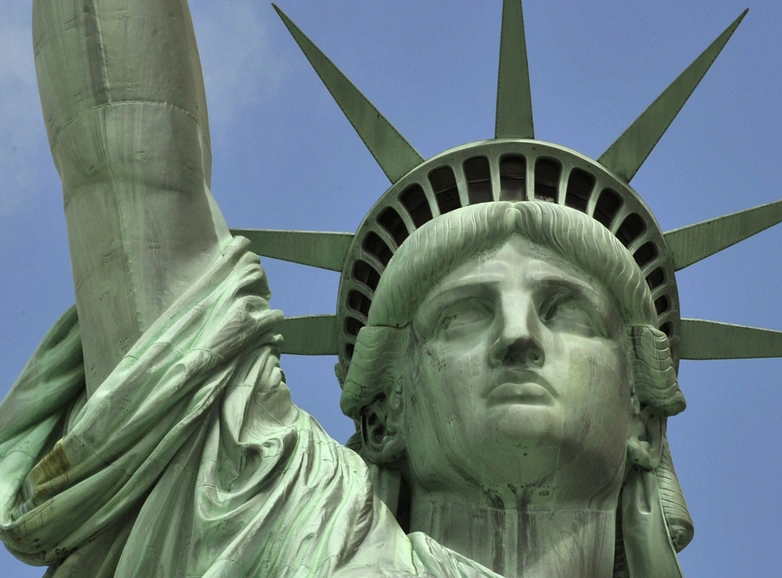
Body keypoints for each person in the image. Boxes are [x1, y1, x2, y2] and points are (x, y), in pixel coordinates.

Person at [0, 0, 689, 576]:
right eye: (462, 316)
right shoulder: (258, 519)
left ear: (643, 417)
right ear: (385, 415)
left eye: (567, 310)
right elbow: (129, 167)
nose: (518, 335)